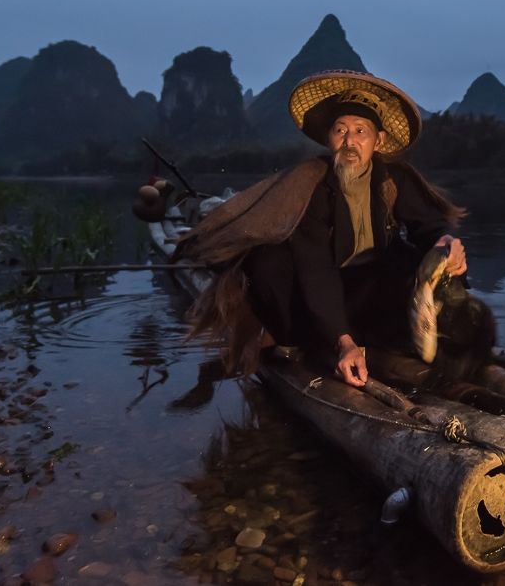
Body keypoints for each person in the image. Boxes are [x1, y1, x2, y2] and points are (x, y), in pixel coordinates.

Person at [174, 71, 470, 387]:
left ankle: (389, 337)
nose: (350, 141)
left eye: (361, 131)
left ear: (378, 141)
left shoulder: (394, 180)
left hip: (362, 290)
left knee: (415, 257)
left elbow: (430, 224)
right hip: (313, 294)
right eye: (341, 130)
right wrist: (343, 342)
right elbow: (314, 270)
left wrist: (447, 242)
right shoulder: (310, 184)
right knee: (268, 259)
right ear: (330, 138)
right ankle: (301, 338)